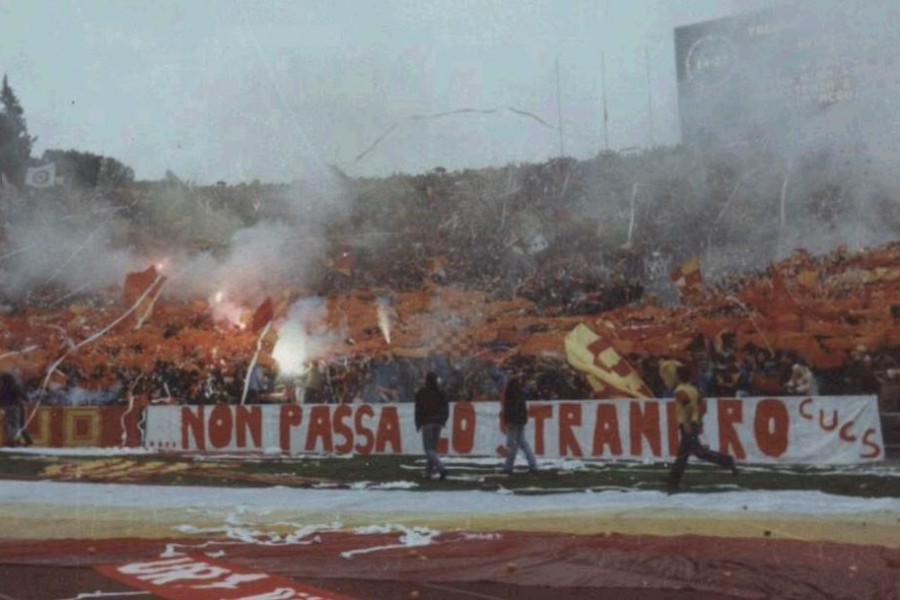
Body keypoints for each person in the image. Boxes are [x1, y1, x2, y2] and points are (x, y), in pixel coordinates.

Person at [667, 364, 737, 494]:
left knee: (697, 452)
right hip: (693, 423)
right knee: (683, 454)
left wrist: (687, 423)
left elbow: (687, 407)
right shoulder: (694, 389)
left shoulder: (680, 391)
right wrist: (698, 420)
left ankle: (726, 460)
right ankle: (673, 479)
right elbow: (702, 406)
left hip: (686, 424)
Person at [414, 372, 449, 480]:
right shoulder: (441, 392)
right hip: (438, 422)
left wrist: (418, 423)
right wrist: (443, 420)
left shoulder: (421, 393)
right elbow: (446, 409)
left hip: (427, 422)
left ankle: (440, 467)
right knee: (433, 448)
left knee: (428, 449)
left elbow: (418, 410)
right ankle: (428, 472)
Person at [501, 376, 538, 474]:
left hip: (514, 421)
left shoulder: (510, 393)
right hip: (521, 420)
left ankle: (508, 467)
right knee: (522, 442)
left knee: (511, 444)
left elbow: (510, 408)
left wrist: (510, 420)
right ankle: (533, 464)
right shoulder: (520, 393)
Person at [0, 372, 31, 447]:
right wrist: (27, 399)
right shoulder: (15, 386)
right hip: (15, 407)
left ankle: (13, 440)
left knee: (10, 424)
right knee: (17, 423)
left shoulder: (2, 387)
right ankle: (19, 440)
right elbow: (22, 394)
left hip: (6, 407)